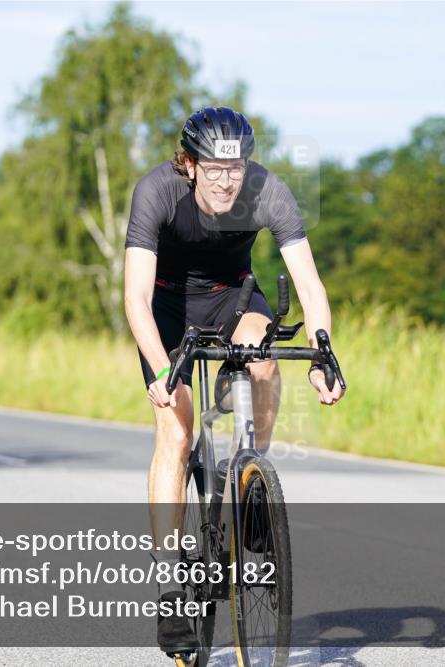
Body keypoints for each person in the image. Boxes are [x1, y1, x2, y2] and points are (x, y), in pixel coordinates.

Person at [123, 106, 345, 655]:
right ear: (191, 164)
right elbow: (135, 298)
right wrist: (159, 371)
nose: (227, 180)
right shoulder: (156, 191)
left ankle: (250, 484)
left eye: (236, 167)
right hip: (168, 307)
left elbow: (311, 288)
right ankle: (171, 584)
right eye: (214, 168)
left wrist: (324, 352)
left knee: (264, 357)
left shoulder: (268, 190)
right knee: (175, 432)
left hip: (233, 298)